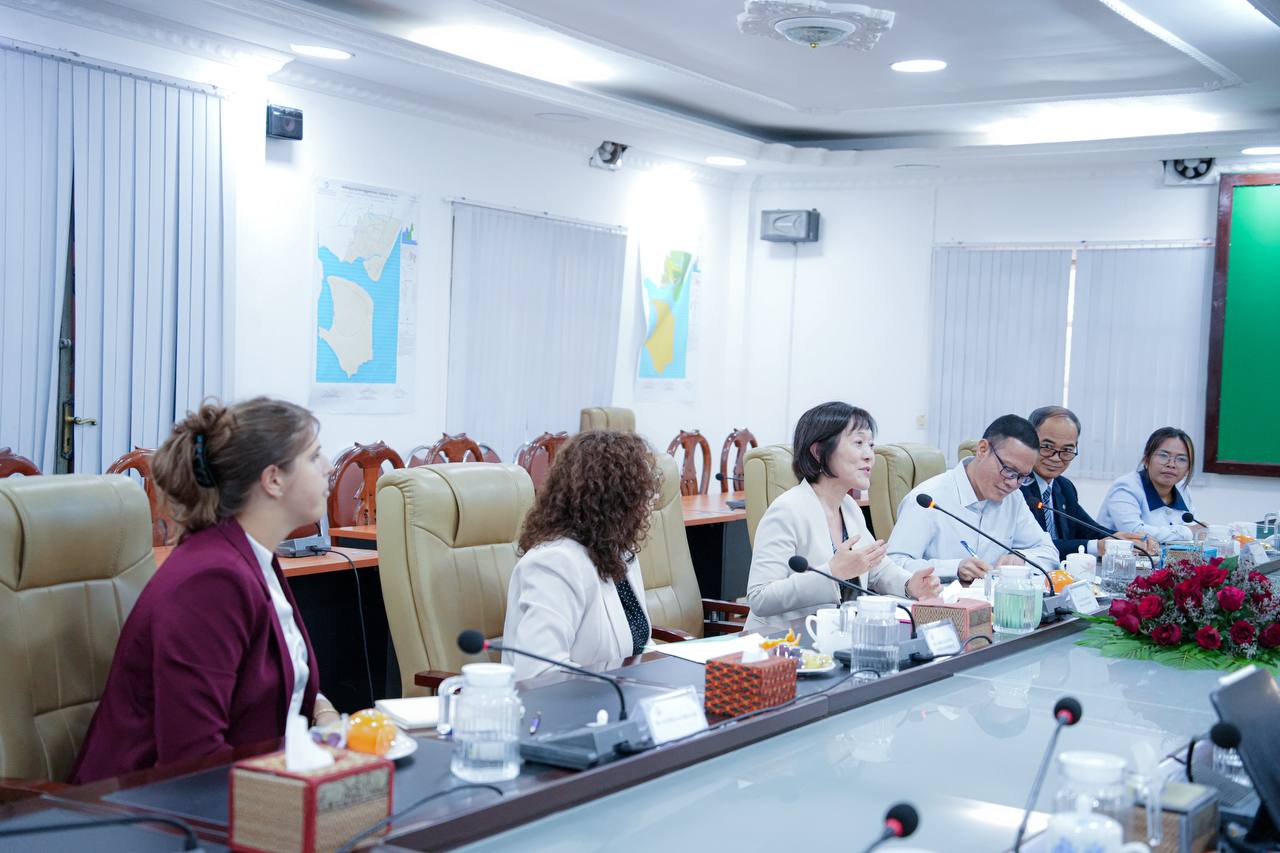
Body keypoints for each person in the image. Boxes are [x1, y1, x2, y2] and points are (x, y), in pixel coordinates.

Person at [70, 398, 339, 784]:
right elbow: (194, 760)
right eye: (313, 456)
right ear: (273, 479)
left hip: (237, 791)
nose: (328, 467)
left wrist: (323, 712)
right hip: (144, 807)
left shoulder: (251, 557)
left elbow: (275, 682)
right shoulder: (212, 581)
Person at [744, 402, 941, 632]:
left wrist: (909, 584)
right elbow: (760, 597)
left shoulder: (848, 506)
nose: (869, 456)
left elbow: (876, 568)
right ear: (818, 452)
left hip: (834, 637)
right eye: (858, 443)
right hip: (782, 642)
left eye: (871, 445)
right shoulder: (787, 510)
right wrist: (833, 572)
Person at [502, 431, 658, 681]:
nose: (652, 501)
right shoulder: (554, 564)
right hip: (567, 703)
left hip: (624, 695)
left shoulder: (619, 552)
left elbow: (638, 646)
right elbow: (539, 673)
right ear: (615, 501)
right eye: (644, 494)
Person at [887, 414, 1058, 585]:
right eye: (1008, 470)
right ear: (982, 449)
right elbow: (894, 564)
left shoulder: (1013, 498)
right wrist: (954, 568)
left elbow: (1049, 552)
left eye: (1022, 477)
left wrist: (1021, 559)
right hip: (939, 599)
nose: (1013, 483)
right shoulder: (929, 499)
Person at [1020, 406, 1156, 559]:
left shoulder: (1064, 487)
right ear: (1029, 441)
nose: (1056, 458)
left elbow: (1088, 529)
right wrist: (1096, 546)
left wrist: (1127, 539)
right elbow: (1035, 545)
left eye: (1067, 450)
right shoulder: (1015, 486)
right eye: (1047, 447)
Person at [1097, 427, 1198, 544]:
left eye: (1181, 459)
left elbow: (1196, 529)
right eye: (1163, 455)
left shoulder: (1182, 489)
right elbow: (1134, 533)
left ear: (1188, 467)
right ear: (1146, 459)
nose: (1171, 464)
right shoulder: (1126, 487)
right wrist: (1186, 532)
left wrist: (1197, 531)